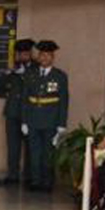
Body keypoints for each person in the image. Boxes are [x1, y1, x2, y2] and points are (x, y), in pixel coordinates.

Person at [23, 39, 68, 191]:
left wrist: (62, 124)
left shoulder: (60, 76)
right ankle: (35, 181)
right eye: (42, 55)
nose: (44, 58)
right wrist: (24, 120)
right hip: (33, 119)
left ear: (52, 57)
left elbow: (63, 101)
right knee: (34, 153)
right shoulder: (31, 74)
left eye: (48, 55)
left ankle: (47, 182)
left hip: (51, 120)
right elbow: (25, 98)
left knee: (48, 153)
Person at [0, 39, 35, 186]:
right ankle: (12, 175)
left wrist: (25, 74)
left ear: (30, 53)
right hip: (13, 112)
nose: (23, 57)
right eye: (20, 54)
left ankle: (29, 177)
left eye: (26, 53)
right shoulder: (13, 68)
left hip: (30, 114)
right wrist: (9, 73)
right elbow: (0, 86)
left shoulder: (36, 69)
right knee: (13, 146)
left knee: (30, 147)